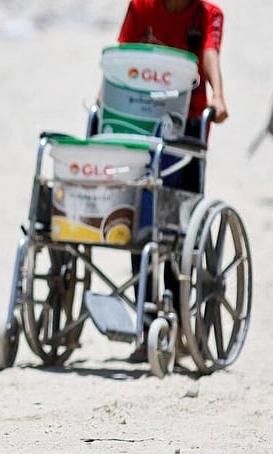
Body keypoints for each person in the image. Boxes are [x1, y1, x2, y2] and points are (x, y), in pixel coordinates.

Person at [116, 0, 227, 362]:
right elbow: (123, 54)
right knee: (142, 221)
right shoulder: (142, 6)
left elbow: (209, 53)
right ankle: (146, 324)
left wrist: (218, 95)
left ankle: (177, 323)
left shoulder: (207, 15)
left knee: (177, 227)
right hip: (141, 117)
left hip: (186, 123)